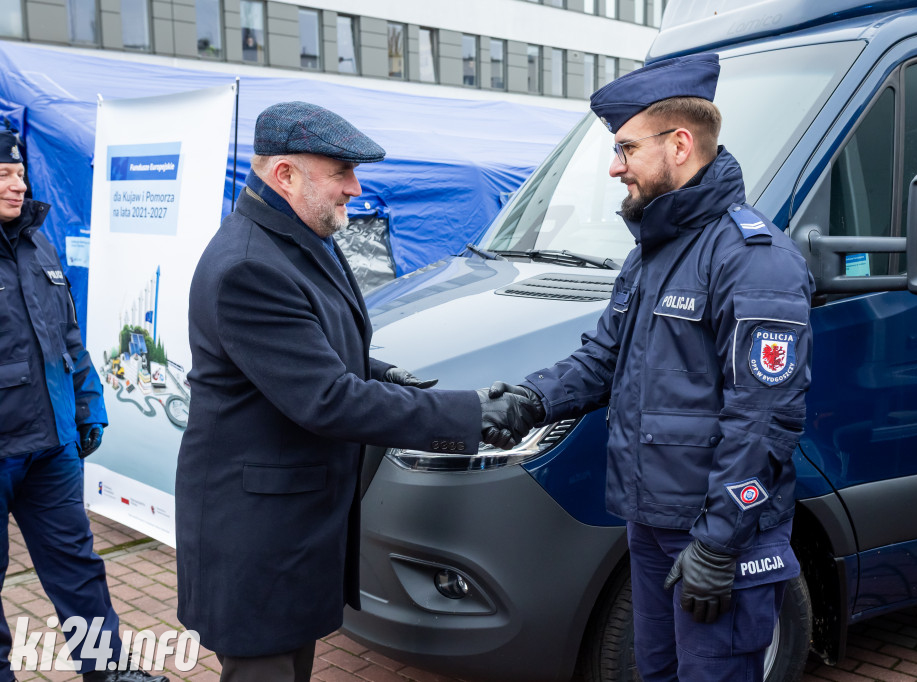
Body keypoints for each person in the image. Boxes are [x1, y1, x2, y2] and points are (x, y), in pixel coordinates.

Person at [174, 101, 535, 682]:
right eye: (340, 171)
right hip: (257, 540)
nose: (355, 187)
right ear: (285, 174)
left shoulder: (296, 237)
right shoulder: (249, 266)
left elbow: (313, 347)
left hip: (288, 530)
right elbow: (326, 399)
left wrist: (383, 375)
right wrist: (471, 413)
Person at [489, 54, 814, 681]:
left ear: (680, 144)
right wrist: (529, 400)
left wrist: (720, 542)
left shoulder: (753, 258)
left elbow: (765, 417)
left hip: (718, 535)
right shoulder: (652, 256)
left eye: (625, 148)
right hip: (653, 524)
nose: (615, 166)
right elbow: (605, 357)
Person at [0, 130, 167, 681]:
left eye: (20, 174)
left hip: (50, 448)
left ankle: (108, 671)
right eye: (4, 174)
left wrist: (88, 404)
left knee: (77, 567)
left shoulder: (37, 243)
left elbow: (68, 337)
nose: (17, 184)